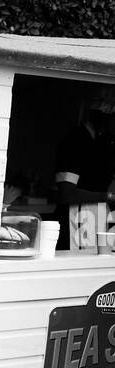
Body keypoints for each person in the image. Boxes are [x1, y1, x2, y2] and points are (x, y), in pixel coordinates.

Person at [53, 88, 115, 250]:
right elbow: (66, 193)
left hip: (97, 219)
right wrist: (108, 196)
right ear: (102, 117)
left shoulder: (104, 143)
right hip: (76, 221)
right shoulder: (76, 141)